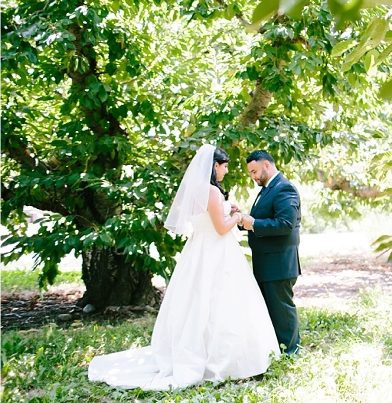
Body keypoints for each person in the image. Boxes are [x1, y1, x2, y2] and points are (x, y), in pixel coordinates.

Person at [88, 144, 279, 390]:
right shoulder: (212, 191)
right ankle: (225, 359)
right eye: (224, 166)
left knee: (198, 303)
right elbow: (221, 228)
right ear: (214, 166)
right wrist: (238, 217)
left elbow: (206, 219)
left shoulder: (197, 190)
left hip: (198, 249)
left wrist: (226, 210)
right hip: (217, 251)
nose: (226, 171)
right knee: (223, 302)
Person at [238, 150, 302, 355]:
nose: (253, 176)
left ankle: (291, 353)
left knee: (282, 311)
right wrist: (242, 219)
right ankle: (277, 350)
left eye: (255, 171)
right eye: (250, 173)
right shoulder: (267, 189)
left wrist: (254, 223)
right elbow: (262, 219)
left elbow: (286, 224)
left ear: (267, 165)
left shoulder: (284, 188)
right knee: (271, 310)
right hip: (266, 261)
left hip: (280, 262)